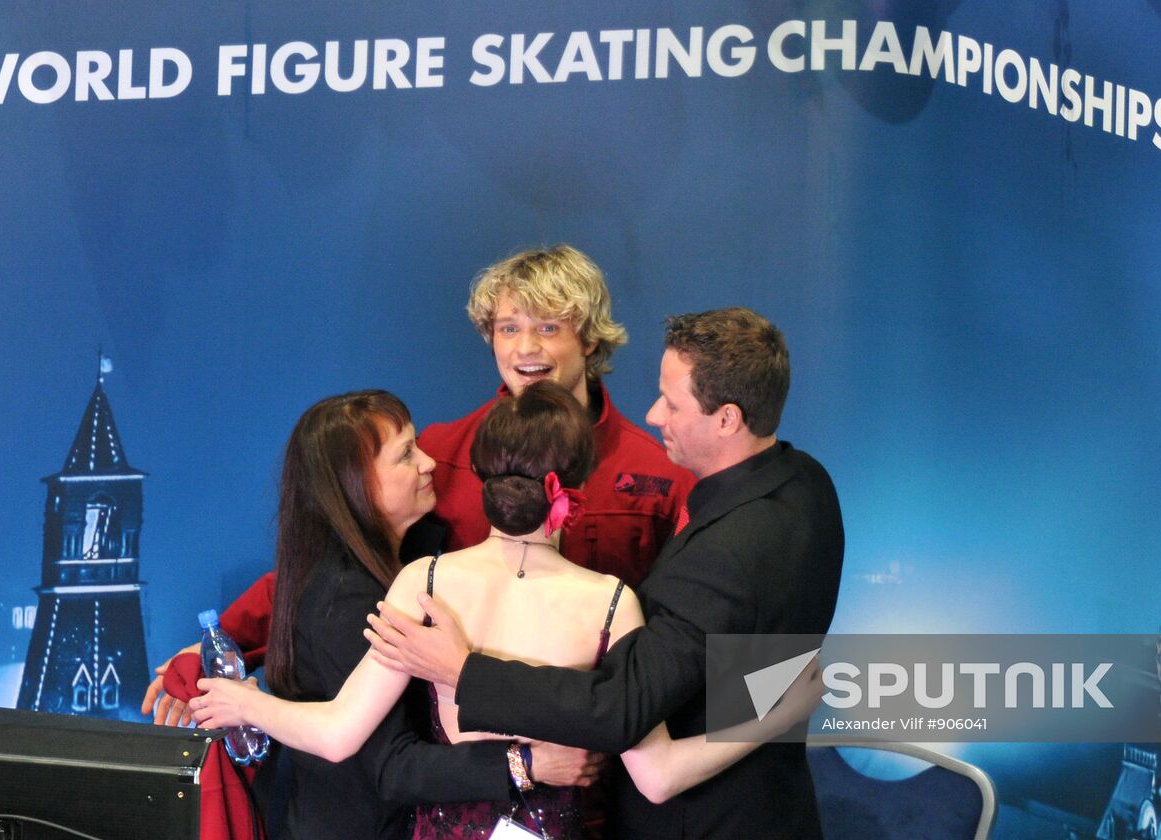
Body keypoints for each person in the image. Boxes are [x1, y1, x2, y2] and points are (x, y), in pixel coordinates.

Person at [190, 382, 817, 839]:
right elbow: (658, 777)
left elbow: (336, 734)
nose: (426, 462)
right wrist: (775, 713)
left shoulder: (422, 581)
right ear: (575, 489)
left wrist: (245, 702)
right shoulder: (612, 602)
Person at [142, 244, 693, 725]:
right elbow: (340, 565)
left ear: (590, 340)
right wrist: (221, 643)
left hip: (606, 737)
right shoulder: (441, 455)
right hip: (464, 740)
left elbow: (709, 614)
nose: (526, 348)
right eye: (509, 328)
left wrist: (744, 729)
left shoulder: (663, 474)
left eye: (548, 327)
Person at [360, 308, 845, 839]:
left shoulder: (722, 555)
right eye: (508, 328)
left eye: (672, 403)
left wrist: (464, 671)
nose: (655, 414)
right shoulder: (808, 483)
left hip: (707, 821)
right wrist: (775, 716)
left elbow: (620, 709)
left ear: (727, 419)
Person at [227, 389, 597, 839]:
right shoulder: (349, 594)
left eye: (417, 445)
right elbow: (389, 764)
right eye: (405, 455)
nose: (429, 463)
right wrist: (527, 764)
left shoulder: (408, 563)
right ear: (353, 482)